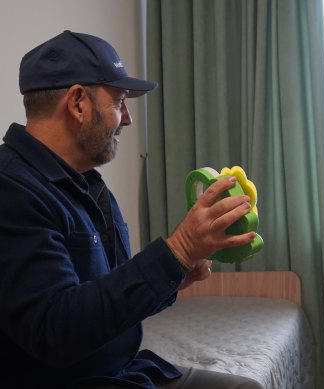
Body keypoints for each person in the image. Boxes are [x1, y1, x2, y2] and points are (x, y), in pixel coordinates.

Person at [0, 30, 263, 389]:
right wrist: (179, 249)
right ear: (78, 103)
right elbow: (55, 333)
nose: (127, 119)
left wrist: (175, 274)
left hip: (122, 369)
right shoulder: (11, 189)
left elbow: (105, 300)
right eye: (119, 102)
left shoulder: (89, 185)